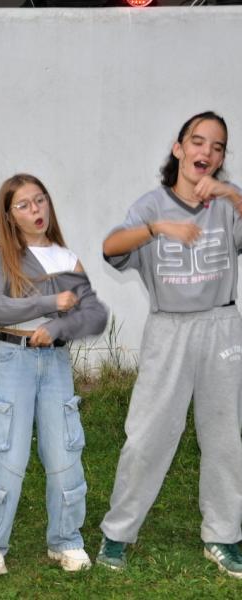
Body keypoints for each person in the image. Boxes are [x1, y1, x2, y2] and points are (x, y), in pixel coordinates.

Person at [98, 111, 242, 578]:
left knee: (224, 436)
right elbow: (111, 247)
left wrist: (232, 194)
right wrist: (159, 228)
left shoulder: (228, 204)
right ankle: (118, 533)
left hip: (221, 325)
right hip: (169, 329)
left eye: (217, 147)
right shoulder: (151, 206)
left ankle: (223, 535)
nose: (207, 152)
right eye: (198, 141)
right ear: (179, 148)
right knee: (148, 434)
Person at [0, 173, 107, 576]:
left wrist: (58, 327)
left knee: (65, 450)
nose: (35, 210)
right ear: (9, 215)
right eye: (24, 205)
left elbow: (93, 316)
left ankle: (66, 539)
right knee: (6, 452)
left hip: (56, 364)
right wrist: (48, 303)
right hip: (14, 359)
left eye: (40, 200)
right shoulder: (1, 257)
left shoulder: (67, 258)